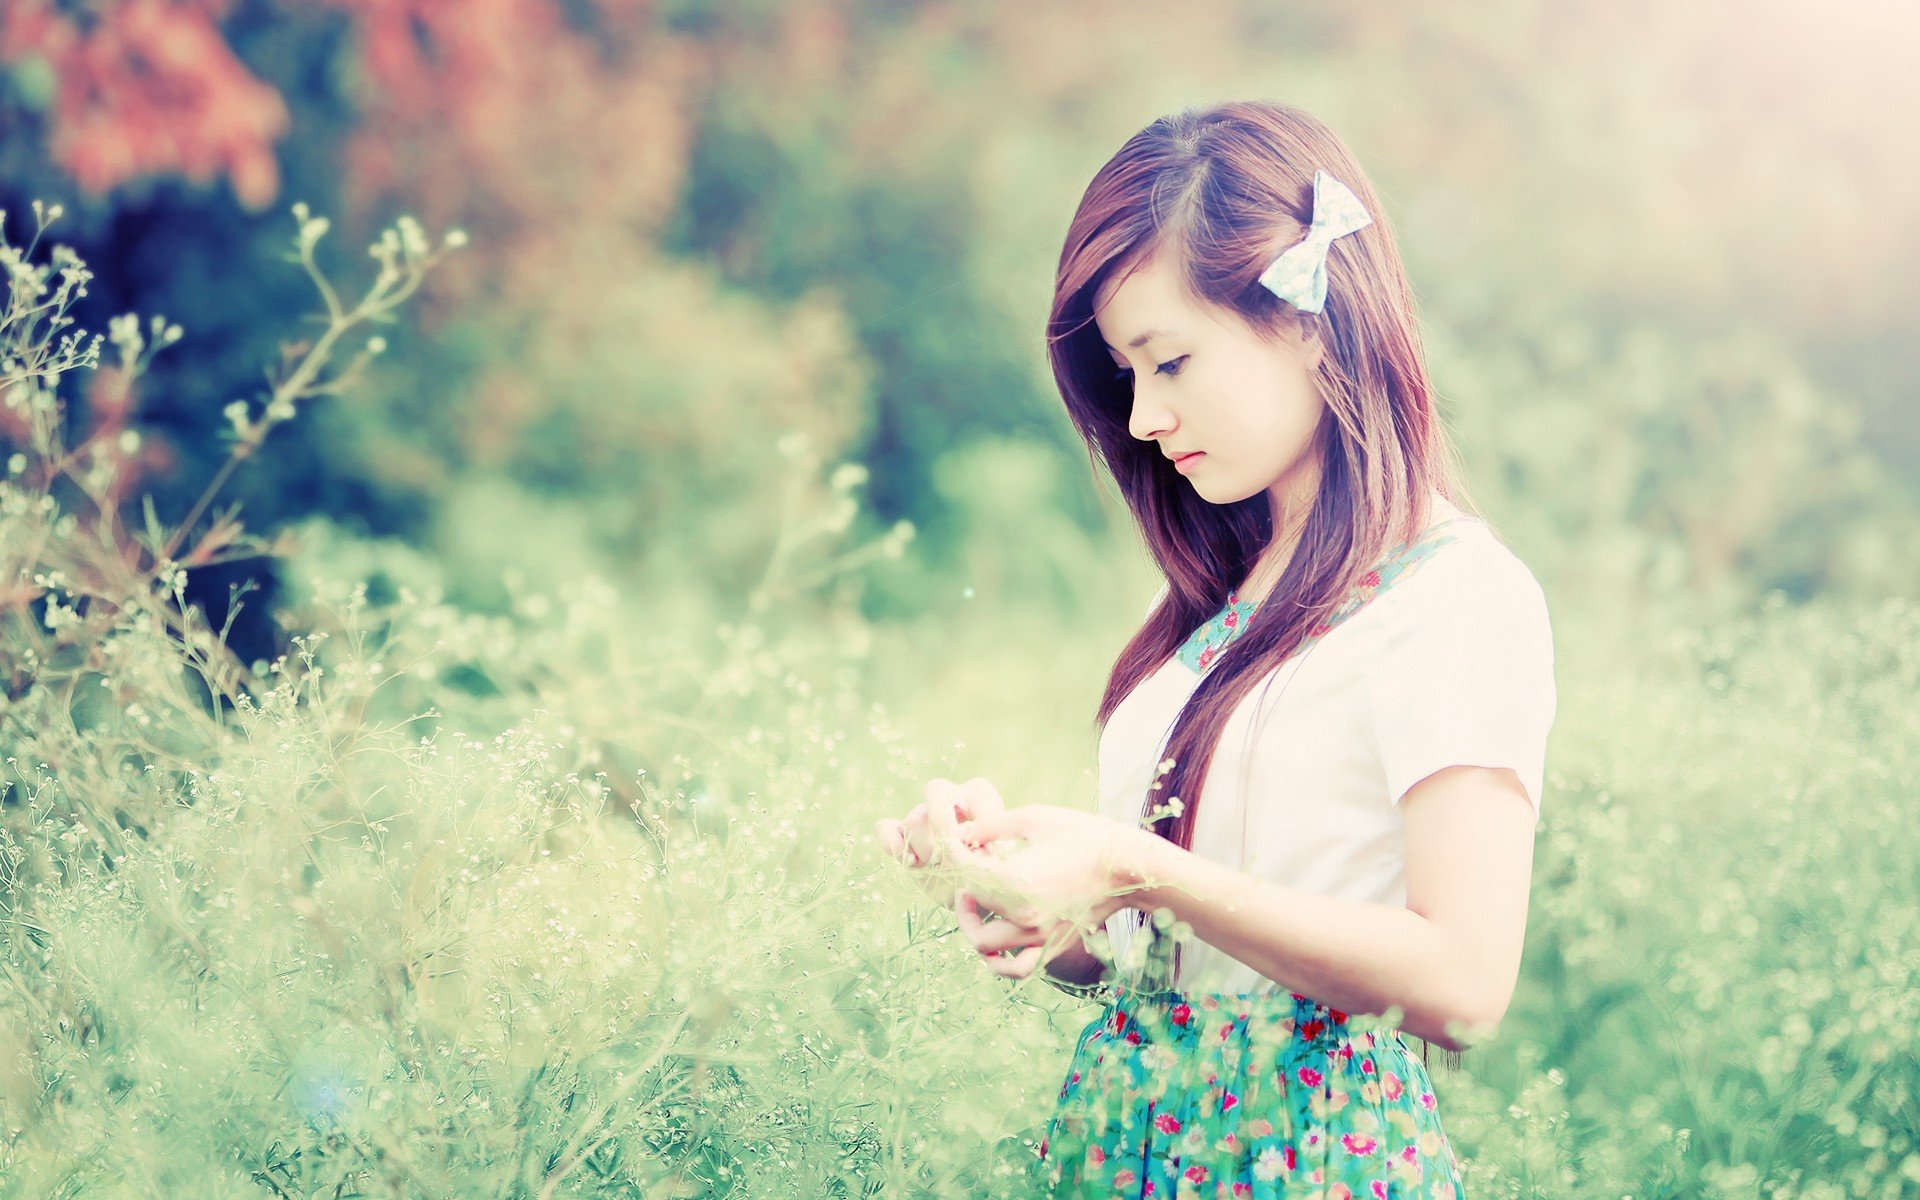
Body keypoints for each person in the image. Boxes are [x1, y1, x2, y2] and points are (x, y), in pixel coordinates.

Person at [874, 99, 1555, 1198]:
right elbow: (1177, 969)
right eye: (1126, 377)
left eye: (1171, 361)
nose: (1142, 416)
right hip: (1127, 1141)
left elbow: (1466, 981)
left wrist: (1138, 866)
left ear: (1308, 321)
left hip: (1311, 1156)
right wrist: (1050, 901)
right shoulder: (1217, 602)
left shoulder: (1459, 598)